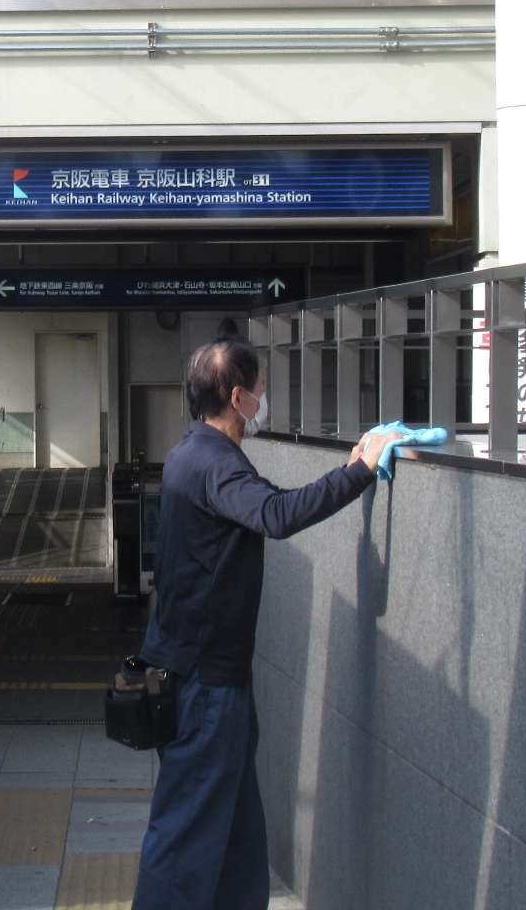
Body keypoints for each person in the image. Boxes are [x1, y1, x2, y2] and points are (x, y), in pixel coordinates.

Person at [133, 338, 389, 910]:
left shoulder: (187, 453)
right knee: (185, 836)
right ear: (237, 395)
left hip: (203, 673)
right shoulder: (213, 464)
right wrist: (359, 473)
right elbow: (275, 513)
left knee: (236, 835)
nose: (264, 398)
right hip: (204, 683)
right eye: (260, 389)